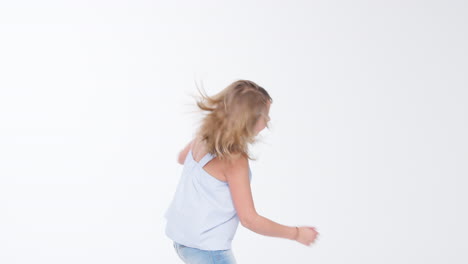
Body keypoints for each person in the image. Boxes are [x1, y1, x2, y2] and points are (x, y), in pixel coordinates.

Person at [164, 79, 319, 263]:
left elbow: (182, 158)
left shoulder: (203, 135)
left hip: (183, 242)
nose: (268, 121)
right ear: (248, 119)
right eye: (265, 116)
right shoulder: (234, 160)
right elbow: (249, 219)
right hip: (209, 251)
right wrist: (296, 233)